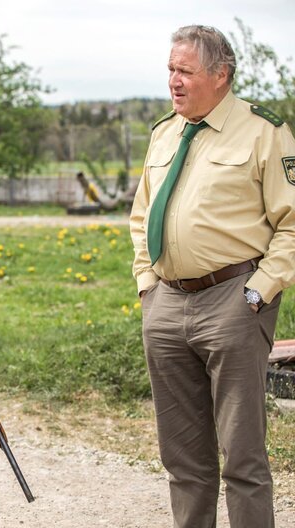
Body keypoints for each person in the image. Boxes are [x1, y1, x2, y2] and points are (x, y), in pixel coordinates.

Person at [130, 25, 295, 527]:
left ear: (221, 75)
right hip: (166, 303)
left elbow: (291, 224)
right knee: (182, 458)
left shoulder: (265, 133)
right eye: (170, 71)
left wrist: (257, 293)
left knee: (242, 459)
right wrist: (147, 286)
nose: (174, 82)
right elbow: (141, 216)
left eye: (186, 71)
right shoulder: (164, 133)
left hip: (234, 301)